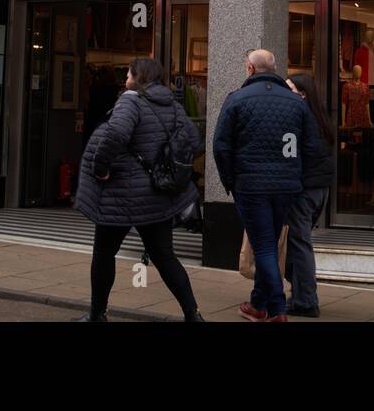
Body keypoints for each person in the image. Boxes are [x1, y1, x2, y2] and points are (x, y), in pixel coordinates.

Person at [74, 57, 203, 322]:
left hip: (122, 196)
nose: (125, 79)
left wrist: (100, 168)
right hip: (158, 194)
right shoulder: (172, 105)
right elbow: (193, 139)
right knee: (164, 255)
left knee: (103, 253)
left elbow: (116, 135)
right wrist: (162, 163)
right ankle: (193, 315)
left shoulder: (130, 100)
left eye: (129, 74)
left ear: (139, 76)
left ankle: (97, 314)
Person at [213, 49, 323, 322]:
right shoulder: (296, 103)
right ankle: (258, 303)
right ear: (275, 69)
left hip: (251, 186)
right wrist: (296, 176)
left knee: (263, 247)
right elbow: (311, 147)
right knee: (268, 244)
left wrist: (231, 181)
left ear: (250, 69)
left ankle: (276, 310)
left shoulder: (237, 99)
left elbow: (221, 146)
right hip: (286, 187)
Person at [284, 73, 333, 318]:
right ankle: (300, 294)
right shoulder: (319, 117)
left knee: (299, 243)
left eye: (289, 88)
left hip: (303, 190)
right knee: (298, 242)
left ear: (302, 93)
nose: (285, 93)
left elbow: (293, 156)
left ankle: (305, 300)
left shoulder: (299, 118)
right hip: (318, 189)